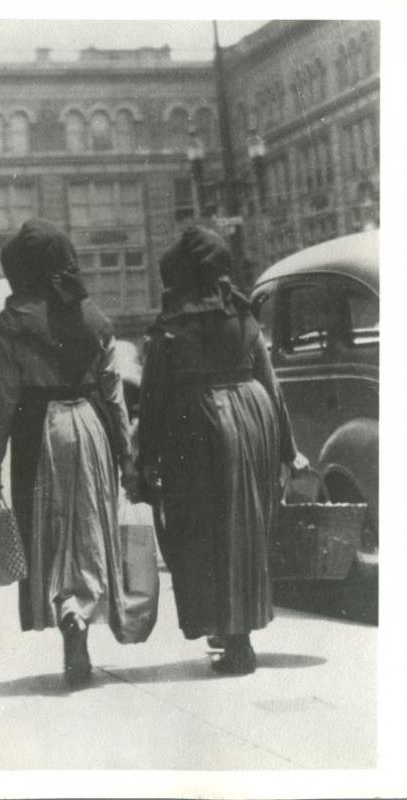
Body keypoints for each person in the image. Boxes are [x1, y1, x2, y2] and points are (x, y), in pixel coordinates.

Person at [137, 226, 308, 675]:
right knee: (243, 528)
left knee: (200, 531)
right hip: (252, 417)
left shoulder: (170, 327)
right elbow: (272, 385)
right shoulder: (243, 315)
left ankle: (229, 635)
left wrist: (145, 458)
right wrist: (288, 450)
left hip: (194, 425)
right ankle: (238, 633)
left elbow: (153, 396)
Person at [0, 218, 136, 689]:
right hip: (89, 425)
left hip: (38, 432)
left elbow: (2, 397)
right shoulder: (95, 320)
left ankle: (67, 612)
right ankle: (81, 608)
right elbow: (113, 393)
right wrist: (125, 453)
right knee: (87, 525)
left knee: (48, 528)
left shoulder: (12, 325)